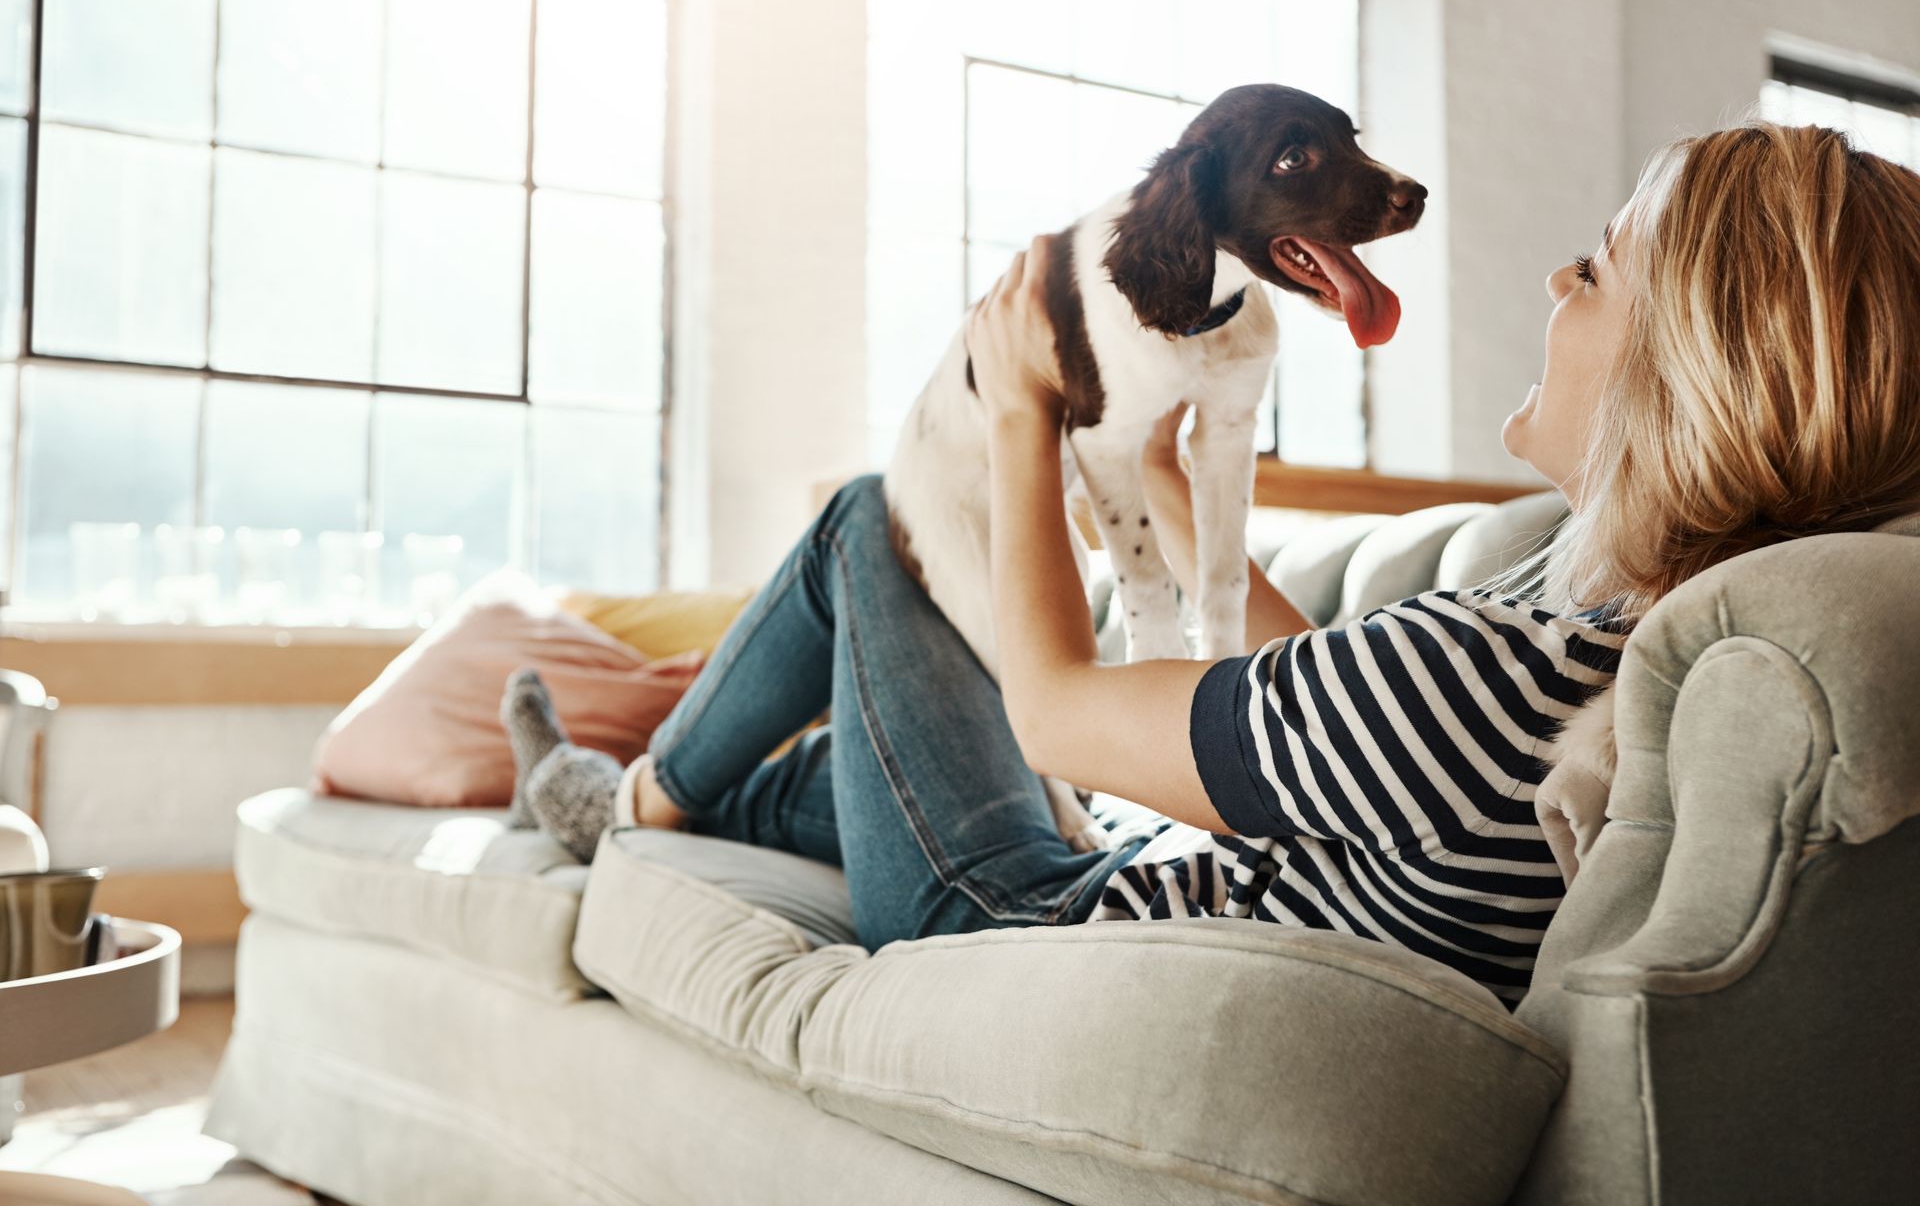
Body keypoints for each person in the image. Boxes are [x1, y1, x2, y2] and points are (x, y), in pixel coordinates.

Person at [502, 121, 1920, 1008]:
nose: (1558, 285)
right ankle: (634, 792)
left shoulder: (1487, 684)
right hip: (1124, 870)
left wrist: (1021, 408)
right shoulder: (1595, 635)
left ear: (1693, 375)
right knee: (843, 763)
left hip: (1008, 918)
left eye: (1596, 270)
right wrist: (1170, 478)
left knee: (867, 525)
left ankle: (641, 792)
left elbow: (1057, 711)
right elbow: (1330, 710)